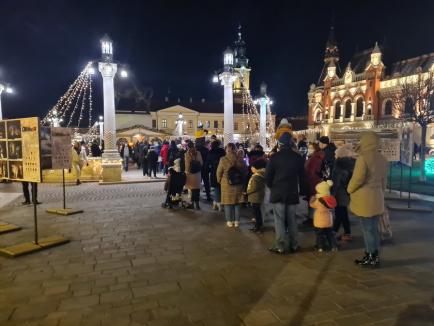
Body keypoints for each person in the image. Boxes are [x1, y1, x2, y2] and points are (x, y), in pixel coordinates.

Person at [348, 131, 387, 267]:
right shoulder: (382, 158)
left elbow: (358, 178)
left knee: (367, 229)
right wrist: (381, 193)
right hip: (377, 198)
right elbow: (384, 181)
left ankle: (370, 255)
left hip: (365, 199)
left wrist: (349, 189)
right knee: (374, 229)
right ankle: (374, 255)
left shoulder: (363, 158)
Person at [266, 132, 306, 254]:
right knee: (292, 220)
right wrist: (303, 191)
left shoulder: (274, 157)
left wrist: (271, 186)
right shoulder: (298, 158)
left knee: (279, 220)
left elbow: (268, 176)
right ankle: (294, 244)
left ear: (280, 143)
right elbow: (302, 177)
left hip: (278, 192)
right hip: (292, 192)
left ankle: (280, 246)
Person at [217, 143, 246, 228]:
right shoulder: (240, 159)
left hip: (226, 184)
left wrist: (219, 181)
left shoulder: (223, 159)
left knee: (228, 203)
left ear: (227, 150)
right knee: (237, 203)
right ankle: (237, 221)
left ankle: (229, 221)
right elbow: (245, 171)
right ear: (235, 149)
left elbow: (219, 172)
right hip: (239, 184)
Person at [331, 144, 356, 242]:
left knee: (340, 213)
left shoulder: (338, 165)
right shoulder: (351, 164)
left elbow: (336, 182)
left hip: (340, 193)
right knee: (342, 213)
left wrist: (332, 195)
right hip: (347, 192)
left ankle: (336, 232)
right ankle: (344, 232)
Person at [310, 180, 338, 252]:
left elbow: (312, 205)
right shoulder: (330, 199)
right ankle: (334, 246)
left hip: (319, 222)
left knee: (319, 235)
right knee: (330, 234)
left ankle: (320, 247)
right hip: (328, 221)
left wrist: (312, 199)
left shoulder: (318, 201)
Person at [304, 142, 325, 225]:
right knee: (315, 200)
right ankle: (313, 218)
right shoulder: (319, 156)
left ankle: (312, 219)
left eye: (310, 147)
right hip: (317, 182)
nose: (309, 149)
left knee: (313, 201)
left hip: (313, 182)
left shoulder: (314, 158)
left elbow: (310, 171)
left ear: (314, 148)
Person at [245, 159, 267, 233]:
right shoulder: (262, 175)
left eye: (252, 167)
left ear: (256, 168)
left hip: (255, 197)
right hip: (259, 196)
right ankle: (258, 226)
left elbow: (254, 187)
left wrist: (247, 192)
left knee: (256, 213)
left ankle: (258, 227)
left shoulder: (256, 177)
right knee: (258, 212)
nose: (251, 168)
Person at [206, 139, 226, 210]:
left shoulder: (210, 152)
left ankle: (216, 203)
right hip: (222, 171)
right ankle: (219, 203)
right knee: (220, 188)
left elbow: (208, 163)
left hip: (213, 171)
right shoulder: (222, 151)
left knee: (217, 187)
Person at [184, 141, 203, 210]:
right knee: (197, 190)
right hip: (197, 174)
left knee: (192, 190)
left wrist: (187, 172)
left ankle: (192, 204)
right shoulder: (198, 153)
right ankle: (197, 205)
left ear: (188, 147)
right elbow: (201, 163)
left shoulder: (187, 154)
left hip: (190, 174)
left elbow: (187, 165)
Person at [195, 134, 211, 201]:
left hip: (198, 168)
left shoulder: (197, 150)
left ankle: (197, 196)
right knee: (206, 182)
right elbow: (208, 159)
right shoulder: (206, 150)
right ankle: (208, 196)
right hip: (205, 168)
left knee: (198, 182)